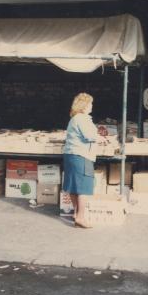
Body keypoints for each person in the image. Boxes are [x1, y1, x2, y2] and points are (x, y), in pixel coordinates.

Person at [63, 92, 102, 228]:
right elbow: (89, 135)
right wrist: (101, 138)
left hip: (71, 155)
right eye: (90, 103)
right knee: (84, 188)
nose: (91, 106)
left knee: (74, 186)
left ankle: (76, 213)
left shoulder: (74, 118)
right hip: (82, 156)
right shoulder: (82, 118)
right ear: (84, 105)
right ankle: (81, 217)